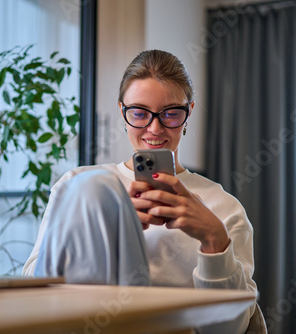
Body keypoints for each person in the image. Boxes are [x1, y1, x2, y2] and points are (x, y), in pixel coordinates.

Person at [23, 50, 258, 333]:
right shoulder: (75, 185)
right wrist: (104, 232)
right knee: (93, 187)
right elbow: (35, 289)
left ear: (189, 112)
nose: (154, 128)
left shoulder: (223, 208)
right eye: (139, 113)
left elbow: (227, 329)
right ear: (122, 111)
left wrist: (214, 239)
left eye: (171, 113)